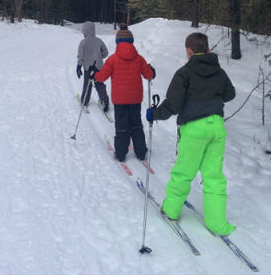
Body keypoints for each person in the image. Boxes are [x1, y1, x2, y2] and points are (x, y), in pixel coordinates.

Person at [146, 32, 236, 236]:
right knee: (214, 176)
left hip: (194, 129)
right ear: (208, 49)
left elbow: (173, 105)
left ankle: (171, 210)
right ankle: (217, 223)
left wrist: (155, 114)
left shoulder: (184, 73)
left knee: (184, 172)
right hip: (216, 127)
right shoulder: (219, 72)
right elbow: (230, 94)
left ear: (189, 51)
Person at [94, 24, 155, 162]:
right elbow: (148, 74)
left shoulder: (113, 59)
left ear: (117, 42)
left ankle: (121, 153)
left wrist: (95, 74)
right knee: (136, 124)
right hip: (135, 98)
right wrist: (152, 71)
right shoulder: (139, 58)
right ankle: (140, 152)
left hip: (120, 99)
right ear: (131, 42)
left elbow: (102, 76)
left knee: (121, 126)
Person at [76, 21, 109, 112]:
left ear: (85, 31)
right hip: (99, 67)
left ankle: (85, 101)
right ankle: (104, 100)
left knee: (87, 84)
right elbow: (106, 52)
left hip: (88, 68)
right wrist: (100, 57)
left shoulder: (83, 42)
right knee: (99, 84)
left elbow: (81, 56)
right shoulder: (99, 41)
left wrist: (79, 66)